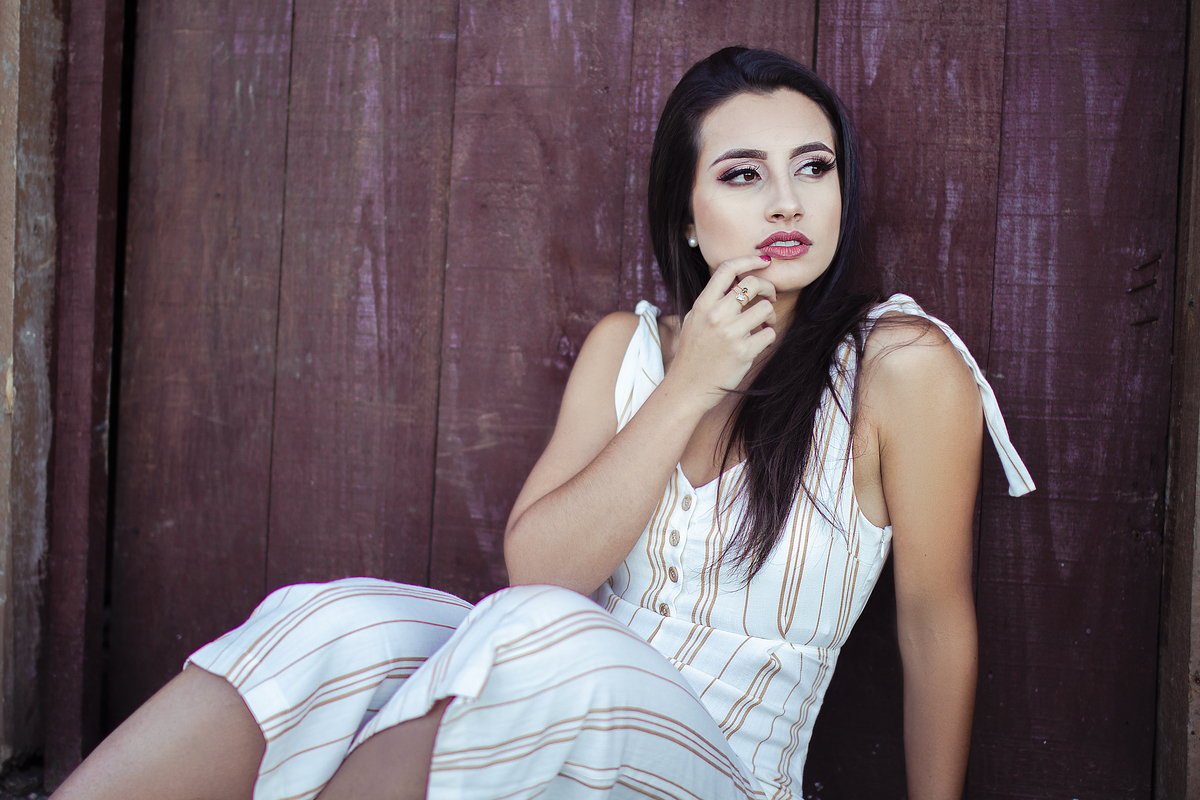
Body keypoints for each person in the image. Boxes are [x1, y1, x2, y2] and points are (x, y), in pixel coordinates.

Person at [52, 46, 1033, 800]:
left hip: (719, 770)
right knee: (341, 619)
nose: (787, 201)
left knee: (547, 633)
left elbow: (934, 621)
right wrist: (689, 384)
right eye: (743, 174)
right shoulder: (631, 351)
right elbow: (542, 568)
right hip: (550, 723)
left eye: (812, 167)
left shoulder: (901, 368)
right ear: (687, 217)